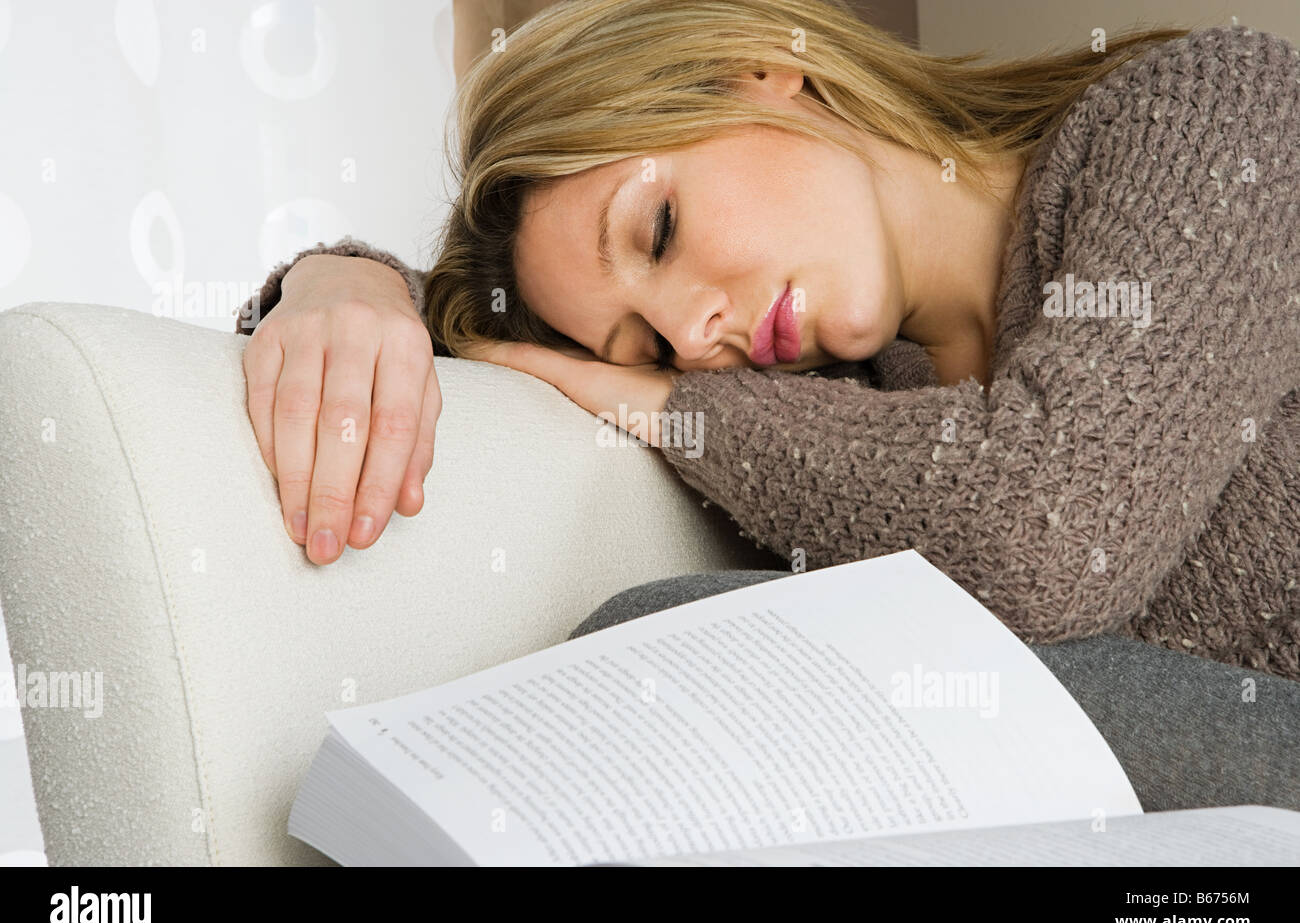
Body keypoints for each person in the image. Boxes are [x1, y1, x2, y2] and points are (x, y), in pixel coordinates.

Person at [234, 1, 1300, 688]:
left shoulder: (1208, 114)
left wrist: (658, 404)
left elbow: (1055, 530)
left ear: (757, 67)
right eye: (641, 348)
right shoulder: (863, 403)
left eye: (658, 230)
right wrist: (344, 284)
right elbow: (480, 324)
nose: (696, 342)